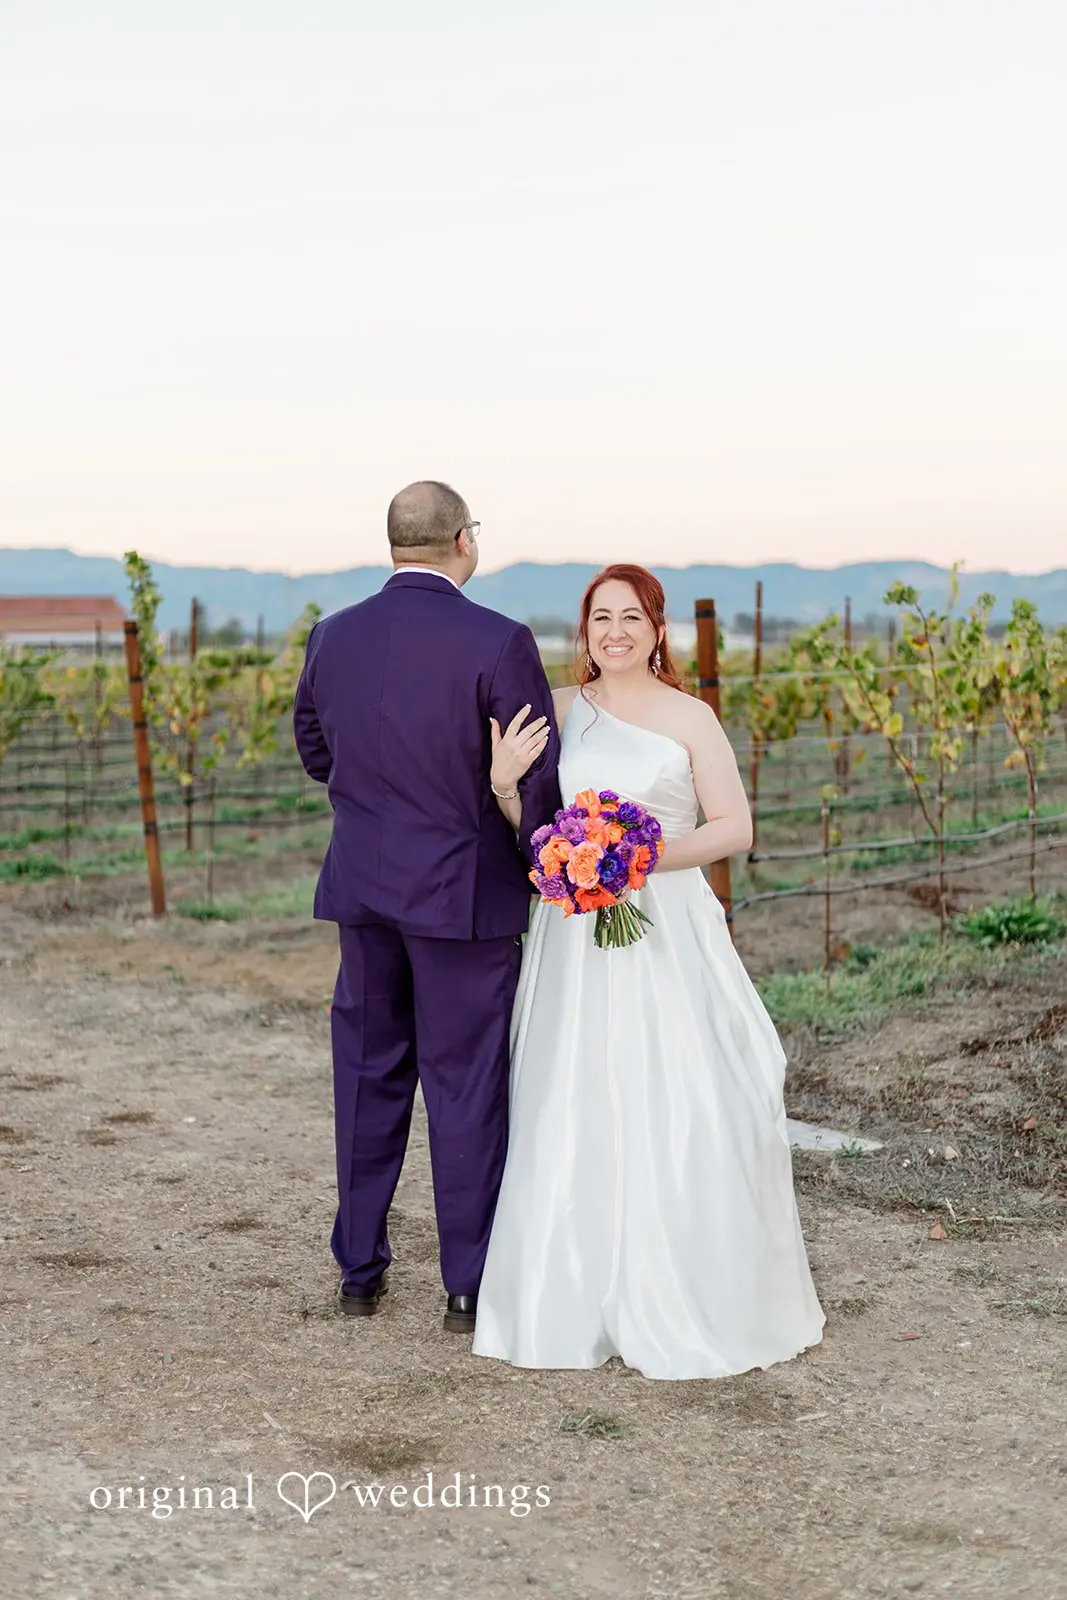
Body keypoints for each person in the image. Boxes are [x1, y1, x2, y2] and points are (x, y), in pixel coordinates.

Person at [472, 563, 826, 1379]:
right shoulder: (560, 713)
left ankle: (690, 1284)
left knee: (678, 1088)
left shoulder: (690, 717)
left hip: (665, 925)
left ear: (657, 630)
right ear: (584, 630)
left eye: (632, 617)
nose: (616, 632)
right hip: (574, 932)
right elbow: (532, 828)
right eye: (601, 618)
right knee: (574, 1091)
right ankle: (567, 1290)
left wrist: (639, 858)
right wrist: (503, 789)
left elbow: (734, 827)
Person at [293, 481, 561, 1333]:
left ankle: (359, 1272)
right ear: (461, 541)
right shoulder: (500, 641)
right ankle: (466, 1284)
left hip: (365, 893)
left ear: (394, 544)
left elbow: (312, 748)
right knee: (464, 1086)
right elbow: (538, 784)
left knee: (368, 1075)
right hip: (464, 901)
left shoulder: (333, 637)